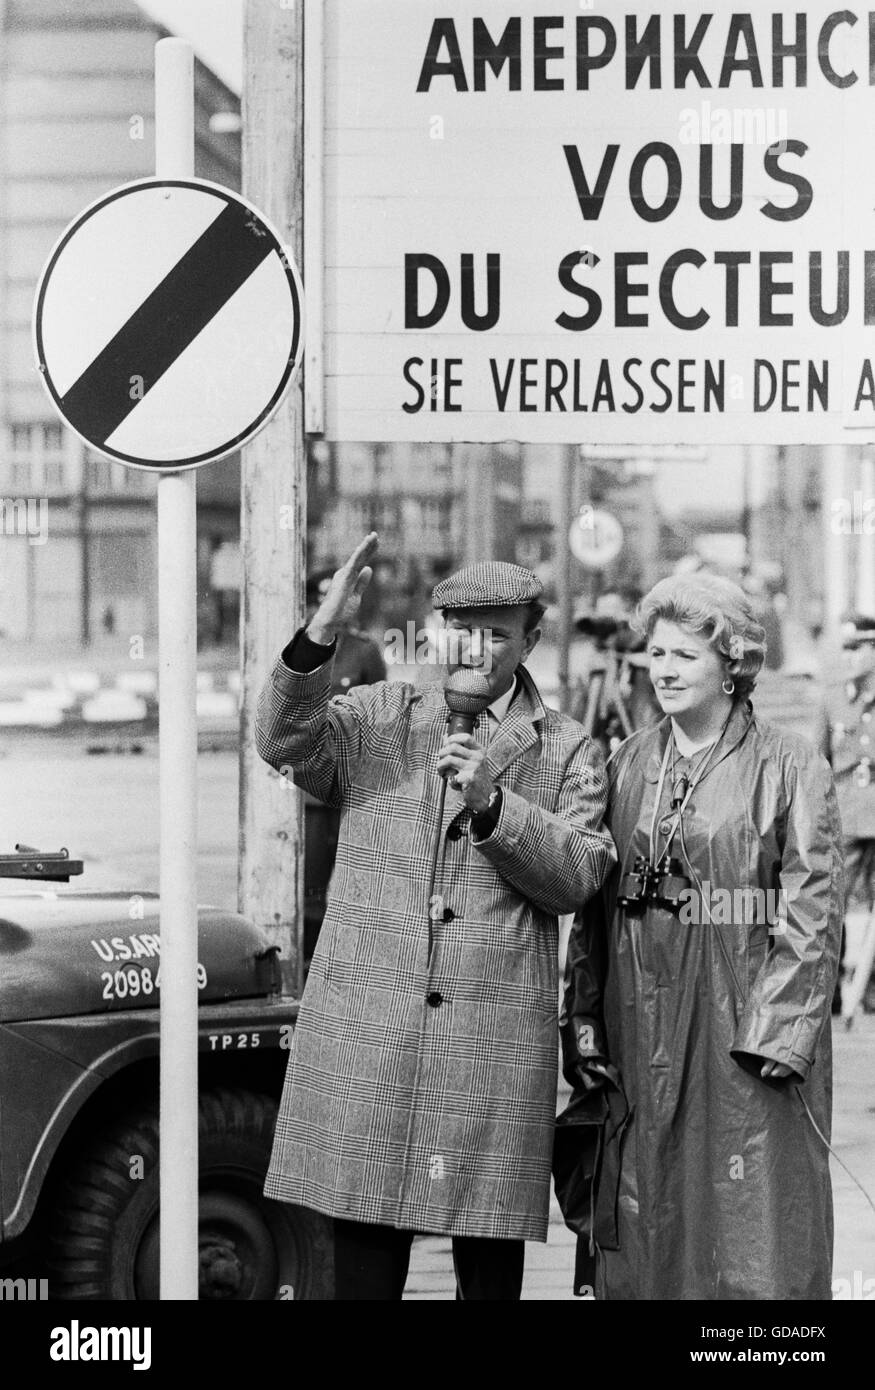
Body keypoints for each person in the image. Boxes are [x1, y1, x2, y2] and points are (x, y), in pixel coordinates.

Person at [256, 535, 615, 1300]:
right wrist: (319, 631)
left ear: (529, 640)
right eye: (462, 627)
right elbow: (282, 742)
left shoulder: (568, 750)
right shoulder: (378, 716)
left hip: (489, 1053)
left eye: (498, 632)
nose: (477, 648)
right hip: (371, 1041)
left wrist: (493, 802)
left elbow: (580, 874)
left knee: (487, 1274)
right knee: (362, 1262)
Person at [562, 572, 843, 1300]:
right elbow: (593, 912)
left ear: (732, 664)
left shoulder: (788, 765)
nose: (664, 670)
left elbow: (812, 910)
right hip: (638, 1029)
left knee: (750, 1233)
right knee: (648, 1221)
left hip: (743, 1042)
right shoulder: (624, 764)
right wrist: (584, 1030)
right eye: (655, 654)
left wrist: (776, 1037)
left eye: (684, 655)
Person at [301, 567, 387, 958]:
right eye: (323, 597)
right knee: (311, 885)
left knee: (360, 883)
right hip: (310, 791)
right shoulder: (302, 645)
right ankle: (308, 960)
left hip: (353, 785)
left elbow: (381, 716)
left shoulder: (364, 650)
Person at [817, 613, 875, 1013]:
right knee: (833, 900)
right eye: (846, 649)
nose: (850, 657)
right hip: (848, 815)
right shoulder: (835, 697)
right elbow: (818, 760)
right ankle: (833, 987)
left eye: (858, 648)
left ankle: (869, 989)